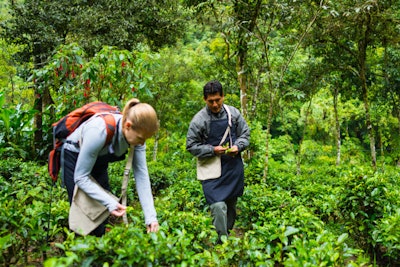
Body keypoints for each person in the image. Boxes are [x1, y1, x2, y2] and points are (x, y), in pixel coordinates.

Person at [62, 98, 159, 236]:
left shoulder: (137, 138)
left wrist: (151, 217)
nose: (142, 143)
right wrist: (110, 202)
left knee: (101, 213)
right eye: (140, 138)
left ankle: (98, 249)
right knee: (83, 210)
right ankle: (75, 251)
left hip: (99, 160)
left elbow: (141, 175)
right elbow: (81, 177)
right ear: (128, 126)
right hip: (74, 156)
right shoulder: (99, 131)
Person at [186, 80, 250, 242]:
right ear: (204, 100)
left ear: (223, 97)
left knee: (231, 205)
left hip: (232, 167)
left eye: (218, 100)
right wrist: (212, 150)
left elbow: (245, 134)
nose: (215, 104)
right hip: (211, 170)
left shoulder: (233, 114)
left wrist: (238, 146)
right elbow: (191, 146)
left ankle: (226, 233)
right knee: (218, 206)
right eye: (210, 101)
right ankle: (223, 241)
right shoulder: (199, 120)